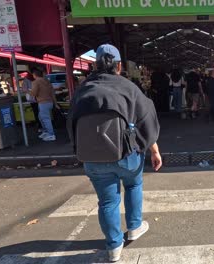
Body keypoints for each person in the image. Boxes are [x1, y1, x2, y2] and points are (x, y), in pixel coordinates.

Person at [68, 44, 162, 263]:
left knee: (107, 202)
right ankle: (135, 227)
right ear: (119, 65)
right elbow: (147, 121)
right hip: (126, 154)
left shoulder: (82, 90)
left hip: (92, 157)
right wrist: (154, 150)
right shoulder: (129, 87)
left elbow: (70, 124)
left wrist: (79, 151)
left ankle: (113, 248)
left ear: (95, 65)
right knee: (133, 185)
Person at [30, 69, 58, 142]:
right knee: (41, 117)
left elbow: (34, 93)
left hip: (43, 102)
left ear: (34, 75)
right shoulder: (47, 81)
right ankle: (46, 132)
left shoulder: (35, 82)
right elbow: (53, 93)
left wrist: (28, 91)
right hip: (50, 102)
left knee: (45, 119)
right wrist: (55, 103)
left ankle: (51, 134)